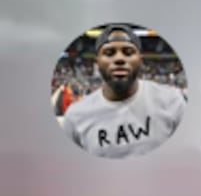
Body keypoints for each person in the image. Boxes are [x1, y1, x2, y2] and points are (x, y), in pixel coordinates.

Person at [60, 27, 186, 158]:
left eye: (128, 52)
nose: (119, 59)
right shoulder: (75, 117)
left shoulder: (172, 101)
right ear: (97, 62)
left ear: (140, 60)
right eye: (109, 53)